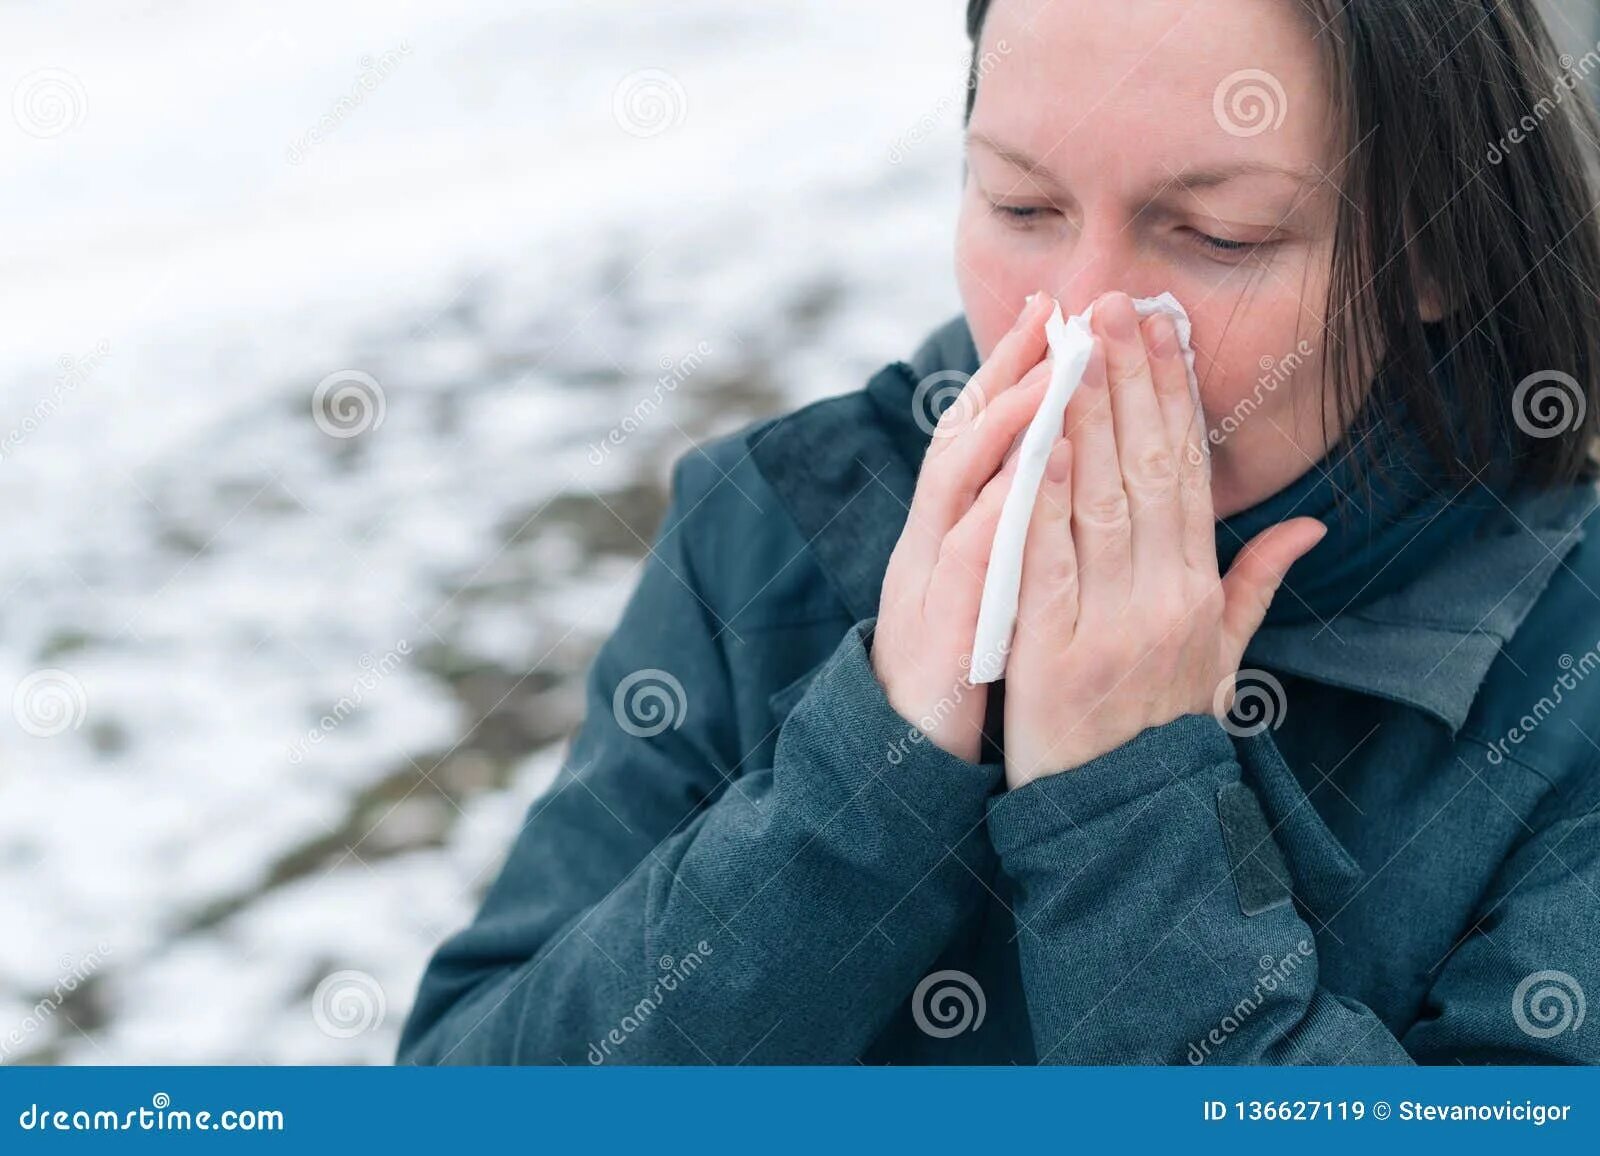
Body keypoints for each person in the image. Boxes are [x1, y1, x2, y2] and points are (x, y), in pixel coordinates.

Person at [397, 0, 1600, 1064]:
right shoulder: (772, 529)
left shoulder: (1568, 681)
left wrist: (1124, 801)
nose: (1073, 320)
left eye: (1219, 235)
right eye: (1021, 203)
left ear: (1437, 243)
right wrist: (868, 773)